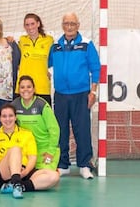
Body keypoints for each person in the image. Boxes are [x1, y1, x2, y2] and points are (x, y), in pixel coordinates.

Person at [48, 12, 101, 179]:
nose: (69, 27)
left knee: (82, 130)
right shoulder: (55, 45)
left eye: (72, 23)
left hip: (81, 94)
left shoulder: (87, 44)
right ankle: (63, 165)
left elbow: (96, 69)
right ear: (62, 25)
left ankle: (85, 165)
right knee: (61, 130)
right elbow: (49, 67)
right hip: (61, 95)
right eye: (66, 23)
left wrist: (93, 92)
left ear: (78, 25)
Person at [0, 104, 59, 199]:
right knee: (15, 149)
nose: (7, 119)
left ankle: (19, 186)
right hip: (4, 173)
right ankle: (16, 183)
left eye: (10, 116)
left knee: (54, 176)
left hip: (24, 171)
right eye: (4, 116)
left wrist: (25, 172)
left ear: (15, 117)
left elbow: (32, 157)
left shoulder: (27, 134)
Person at [11, 75, 60, 170]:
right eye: (22, 87)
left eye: (29, 87)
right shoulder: (14, 105)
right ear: (18, 90)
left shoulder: (42, 105)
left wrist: (51, 151)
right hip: (27, 150)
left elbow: (55, 130)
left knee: (46, 177)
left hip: (45, 149)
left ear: (33, 89)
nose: (26, 90)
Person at [15, 13, 54, 106]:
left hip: (42, 87)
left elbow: (52, 60)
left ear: (38, 24)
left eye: (32, 24)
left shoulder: (49, 40)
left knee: (44, 118)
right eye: (27, 25)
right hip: (23, 88)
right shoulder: (22, 40)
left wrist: (46, 70)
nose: (30, 27)